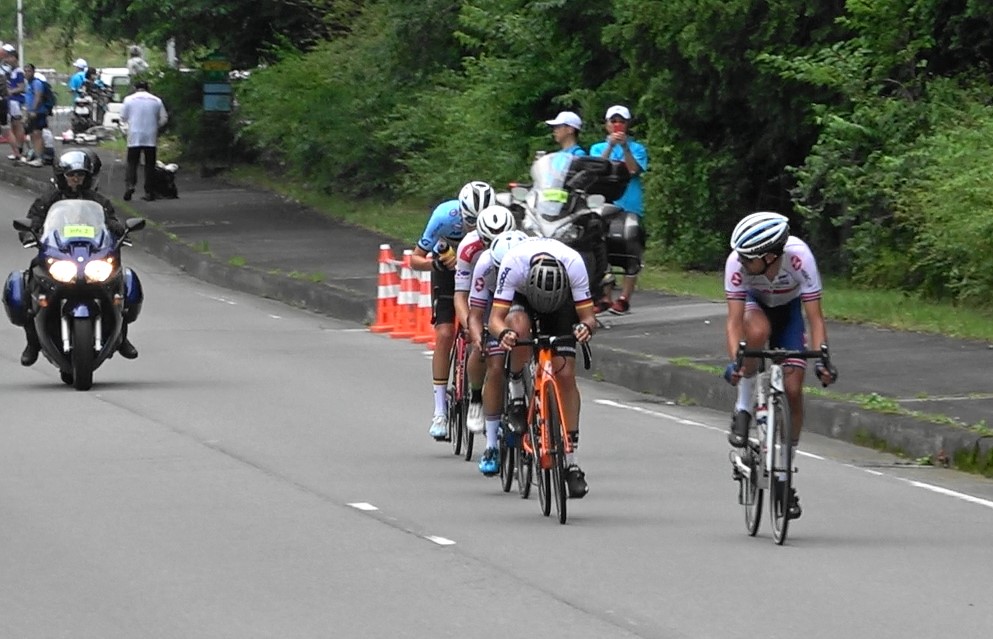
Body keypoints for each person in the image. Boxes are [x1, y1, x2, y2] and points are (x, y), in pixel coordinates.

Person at [722, 211, 838, 519]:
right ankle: (744, 406)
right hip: (753, 306)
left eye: (749, 259)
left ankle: (785, 473)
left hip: (788, 311)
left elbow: (815, 317)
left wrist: (822, 358)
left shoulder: (800, 258)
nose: (742, 262)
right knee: (756, 333)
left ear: (771, 256)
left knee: (793, 389)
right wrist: (737, 361)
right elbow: (734, 323)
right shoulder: (737, 262)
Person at [488, 236, 597, 497]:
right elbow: (495, 319)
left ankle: (571, 462)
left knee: (566, 374)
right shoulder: (514, 264)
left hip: (561, 303)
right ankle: (516, 392)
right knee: (518, 326)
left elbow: (589, 317)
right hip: (521, 298)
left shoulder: (574, 265)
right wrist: (504, 334)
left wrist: (585, 328)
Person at [18, 150, 139, 366]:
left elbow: (110, 221)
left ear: (88, 177)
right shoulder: (48, 200)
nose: (76, 179)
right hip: (59, 254)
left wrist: (121, 232)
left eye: (80, 175)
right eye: (71, 175)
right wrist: (29, 234)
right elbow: (33, 220)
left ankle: (122, 337)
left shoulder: (98, 201)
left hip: (92, 254)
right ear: (62, 176)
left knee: (120, 282)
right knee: (30, 281)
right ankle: (32, 342)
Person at [410, 181, 495, 440]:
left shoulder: (496, 218)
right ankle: (440, 412)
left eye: (477, 222)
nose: (472, 227)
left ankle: (482, 400)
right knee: (446, 333)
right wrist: (436, 264)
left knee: (486, 334)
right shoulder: (444, 216)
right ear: (461, 211)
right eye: (469, 221)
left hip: (480, 271)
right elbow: (415, 260)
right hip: (447, 273)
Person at [452, 206, 517, 474]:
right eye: (489, 241)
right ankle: (477, 399)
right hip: (485, 295)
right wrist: (473, 331)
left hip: (514, 293)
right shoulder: (472, 252)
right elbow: (462, 297)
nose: (495, 245)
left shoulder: (519, 246)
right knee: (482, 350)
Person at [589, 104, 649, 315]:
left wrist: (624, 148)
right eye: (613, 121)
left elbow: (633, 170)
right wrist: (609, 147)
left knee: (630, 249)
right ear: (606, 125)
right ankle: (605, 296)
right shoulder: (597, 148)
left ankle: (624, 298)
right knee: (600, 245)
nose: (617, 125)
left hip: (629, 204)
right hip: (604, 204)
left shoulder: (638, 148)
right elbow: (595, 170)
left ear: (627, 124)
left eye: (621, 121)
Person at [120, 79, 168, 201]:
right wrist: (155, 126)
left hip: (134, 135)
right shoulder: (156, 100)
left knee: (132, 163)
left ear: (136, 88)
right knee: (149, 165)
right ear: (148, 88)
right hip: (150, 136)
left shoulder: (129, 100)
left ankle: (130, 186)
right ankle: (149, 191)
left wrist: (127, 126)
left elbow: (123, 117)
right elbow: (164, 118)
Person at [21, 64, 47, 167]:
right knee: (32, 134)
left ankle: (39, 158)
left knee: (37, 135)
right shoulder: (28, 84)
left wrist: (34, 110)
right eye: (25, 71)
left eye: (29, 71)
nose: (27, 73)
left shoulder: (37, 83)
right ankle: (36, 155)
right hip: (31, 112)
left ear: (33, 72)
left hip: (38, 112)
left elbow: (38, 96)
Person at [4, 45, 26, 162]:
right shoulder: (9, 71)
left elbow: (21, 87)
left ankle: (20, 149)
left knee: (17, 125)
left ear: (15, 58)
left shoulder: (19, 72)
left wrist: (10, 92)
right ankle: (16, 150)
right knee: (12, 125)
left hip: (16, 101)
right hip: (11, 101)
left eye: (9, 57)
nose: (7, 60)